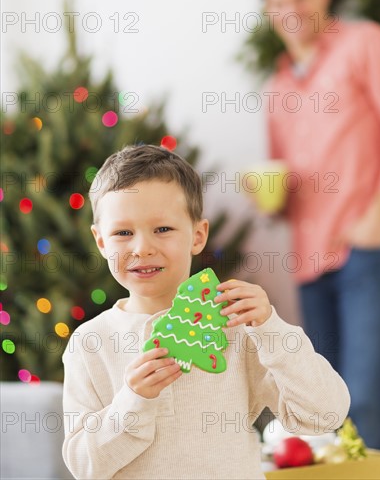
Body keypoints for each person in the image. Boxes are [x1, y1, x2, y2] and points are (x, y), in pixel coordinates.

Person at [62, 144, 349, 479]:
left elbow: (324, 414)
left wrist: (272, 329)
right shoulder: (89, 343)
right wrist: (134, 401)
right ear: (101, 242)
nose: (142, 248)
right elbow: (83, 466)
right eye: (123, 233)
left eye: (163, 229)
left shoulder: (238, 326)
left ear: (197, 236)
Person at [258, 0, 380, 451]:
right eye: (277, 3)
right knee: (328, 403)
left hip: (369, 249)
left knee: (367, 398)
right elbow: (284, 180)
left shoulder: (367, 45)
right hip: (309, 263)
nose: (289, 11)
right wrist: (270, 200)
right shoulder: (277, 87)